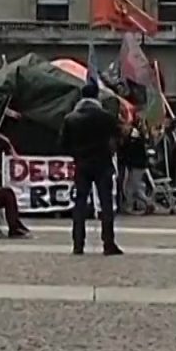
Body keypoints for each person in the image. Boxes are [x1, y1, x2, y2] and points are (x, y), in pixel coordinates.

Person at [59, 83, 122, 255]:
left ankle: (78, 244)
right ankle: (108, 243)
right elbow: (118, 137)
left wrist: (77, 154)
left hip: (82, 164)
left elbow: (63, 143)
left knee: (80, 204)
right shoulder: (107, 117)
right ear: (96, 96)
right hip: (103, 163)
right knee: (106, 204)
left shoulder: (71, 118)